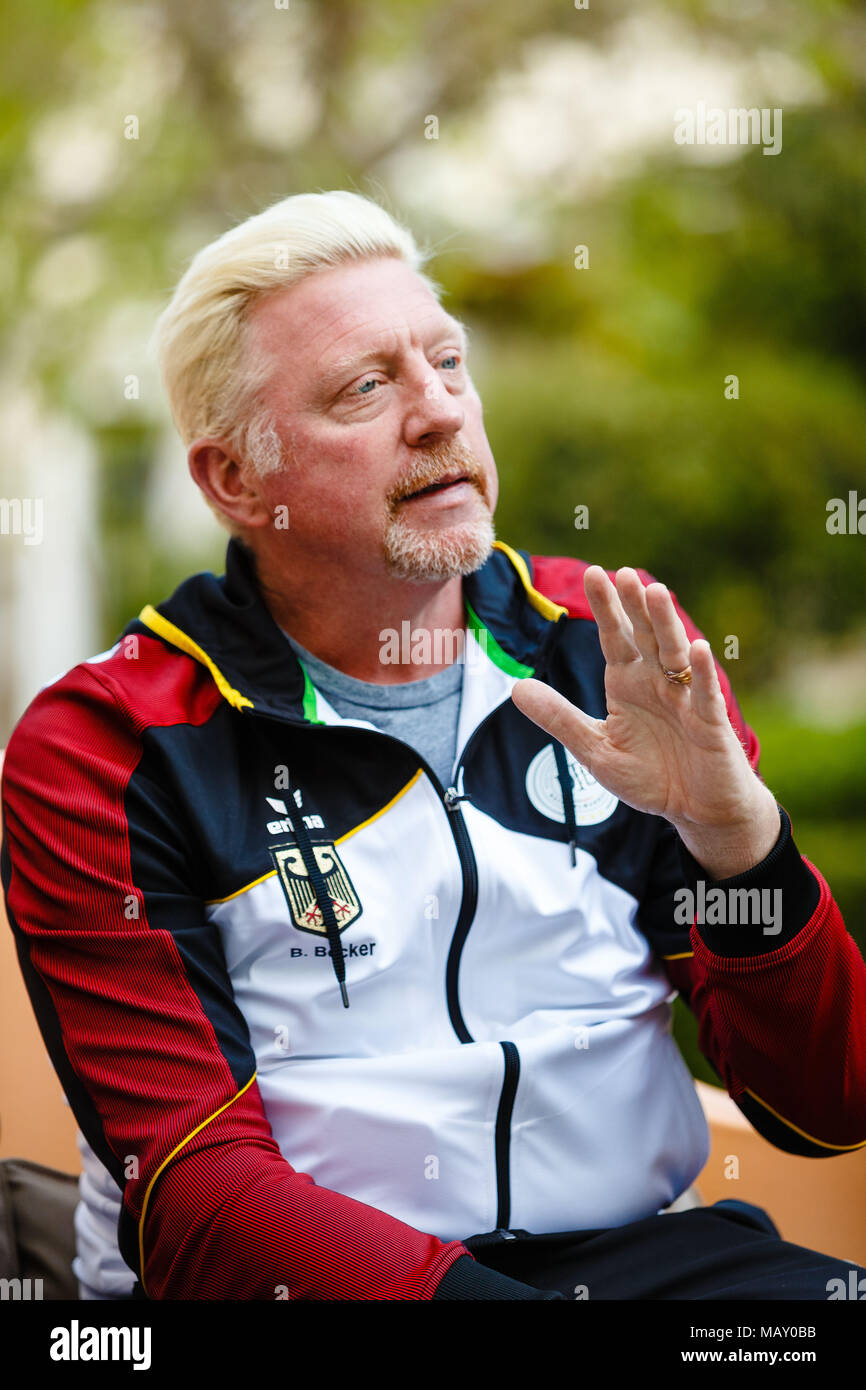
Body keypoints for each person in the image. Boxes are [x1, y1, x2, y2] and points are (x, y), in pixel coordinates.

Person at [2, 191, 865, 1302]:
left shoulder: (609, 648)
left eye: (447, 362)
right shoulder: (111, 741)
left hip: (646, 1265)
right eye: (366, 386)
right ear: (234, 481)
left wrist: (739, 843)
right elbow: (197, 1198)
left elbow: (825, 1107)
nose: (438, 412)